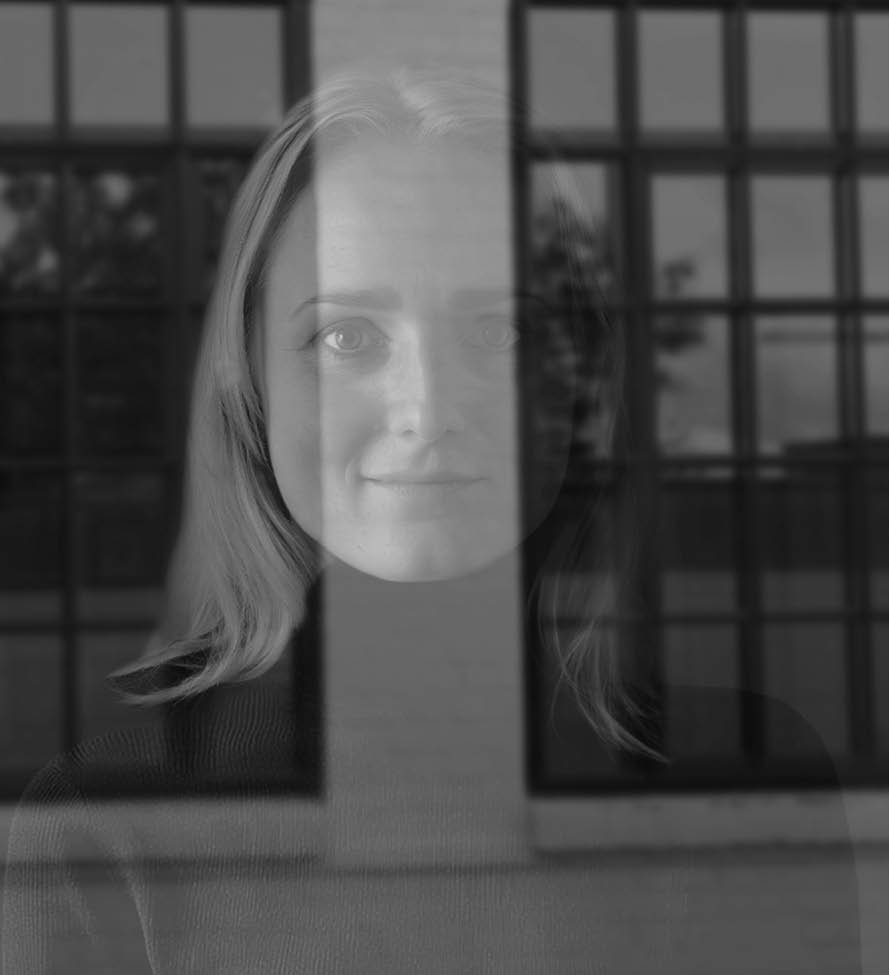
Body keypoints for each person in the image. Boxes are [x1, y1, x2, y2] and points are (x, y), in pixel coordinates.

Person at [2, 67, 860, 974]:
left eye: (499, 332)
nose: (427, 408)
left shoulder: (746, 776)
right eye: (346, 337)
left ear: (577, 386)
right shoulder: (105, 829)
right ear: (250, 386)